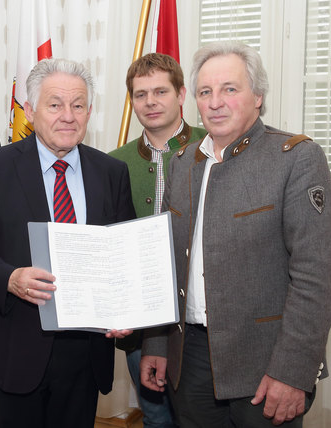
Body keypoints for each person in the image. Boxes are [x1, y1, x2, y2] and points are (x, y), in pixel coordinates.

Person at [140, 41, 331, 427]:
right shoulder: (182, 163)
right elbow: (164, 266)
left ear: (258, 96)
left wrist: (292, 371)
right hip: (190, 359)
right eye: (205, 92)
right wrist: (157, 343)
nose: (216, 102)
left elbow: (315, 278)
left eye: (230, 89)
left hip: (266, 364)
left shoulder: (295, 159)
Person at [0, 58, 137, 428]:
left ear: (90, 111)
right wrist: (9, 277)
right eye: (55, 104)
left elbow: (123, 254)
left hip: (85, 356)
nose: (68, 115)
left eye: (78, 105)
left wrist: (125, 309)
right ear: (31, 112)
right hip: (14, 349)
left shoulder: (112, 172)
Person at [109, 53, 206, 428]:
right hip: (141, 321)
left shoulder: (212, 147)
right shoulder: (113, 163)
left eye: (160, 91)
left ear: (182, 94)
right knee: (156, 416)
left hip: (197, 320)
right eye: (140, 94)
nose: (150, 101)